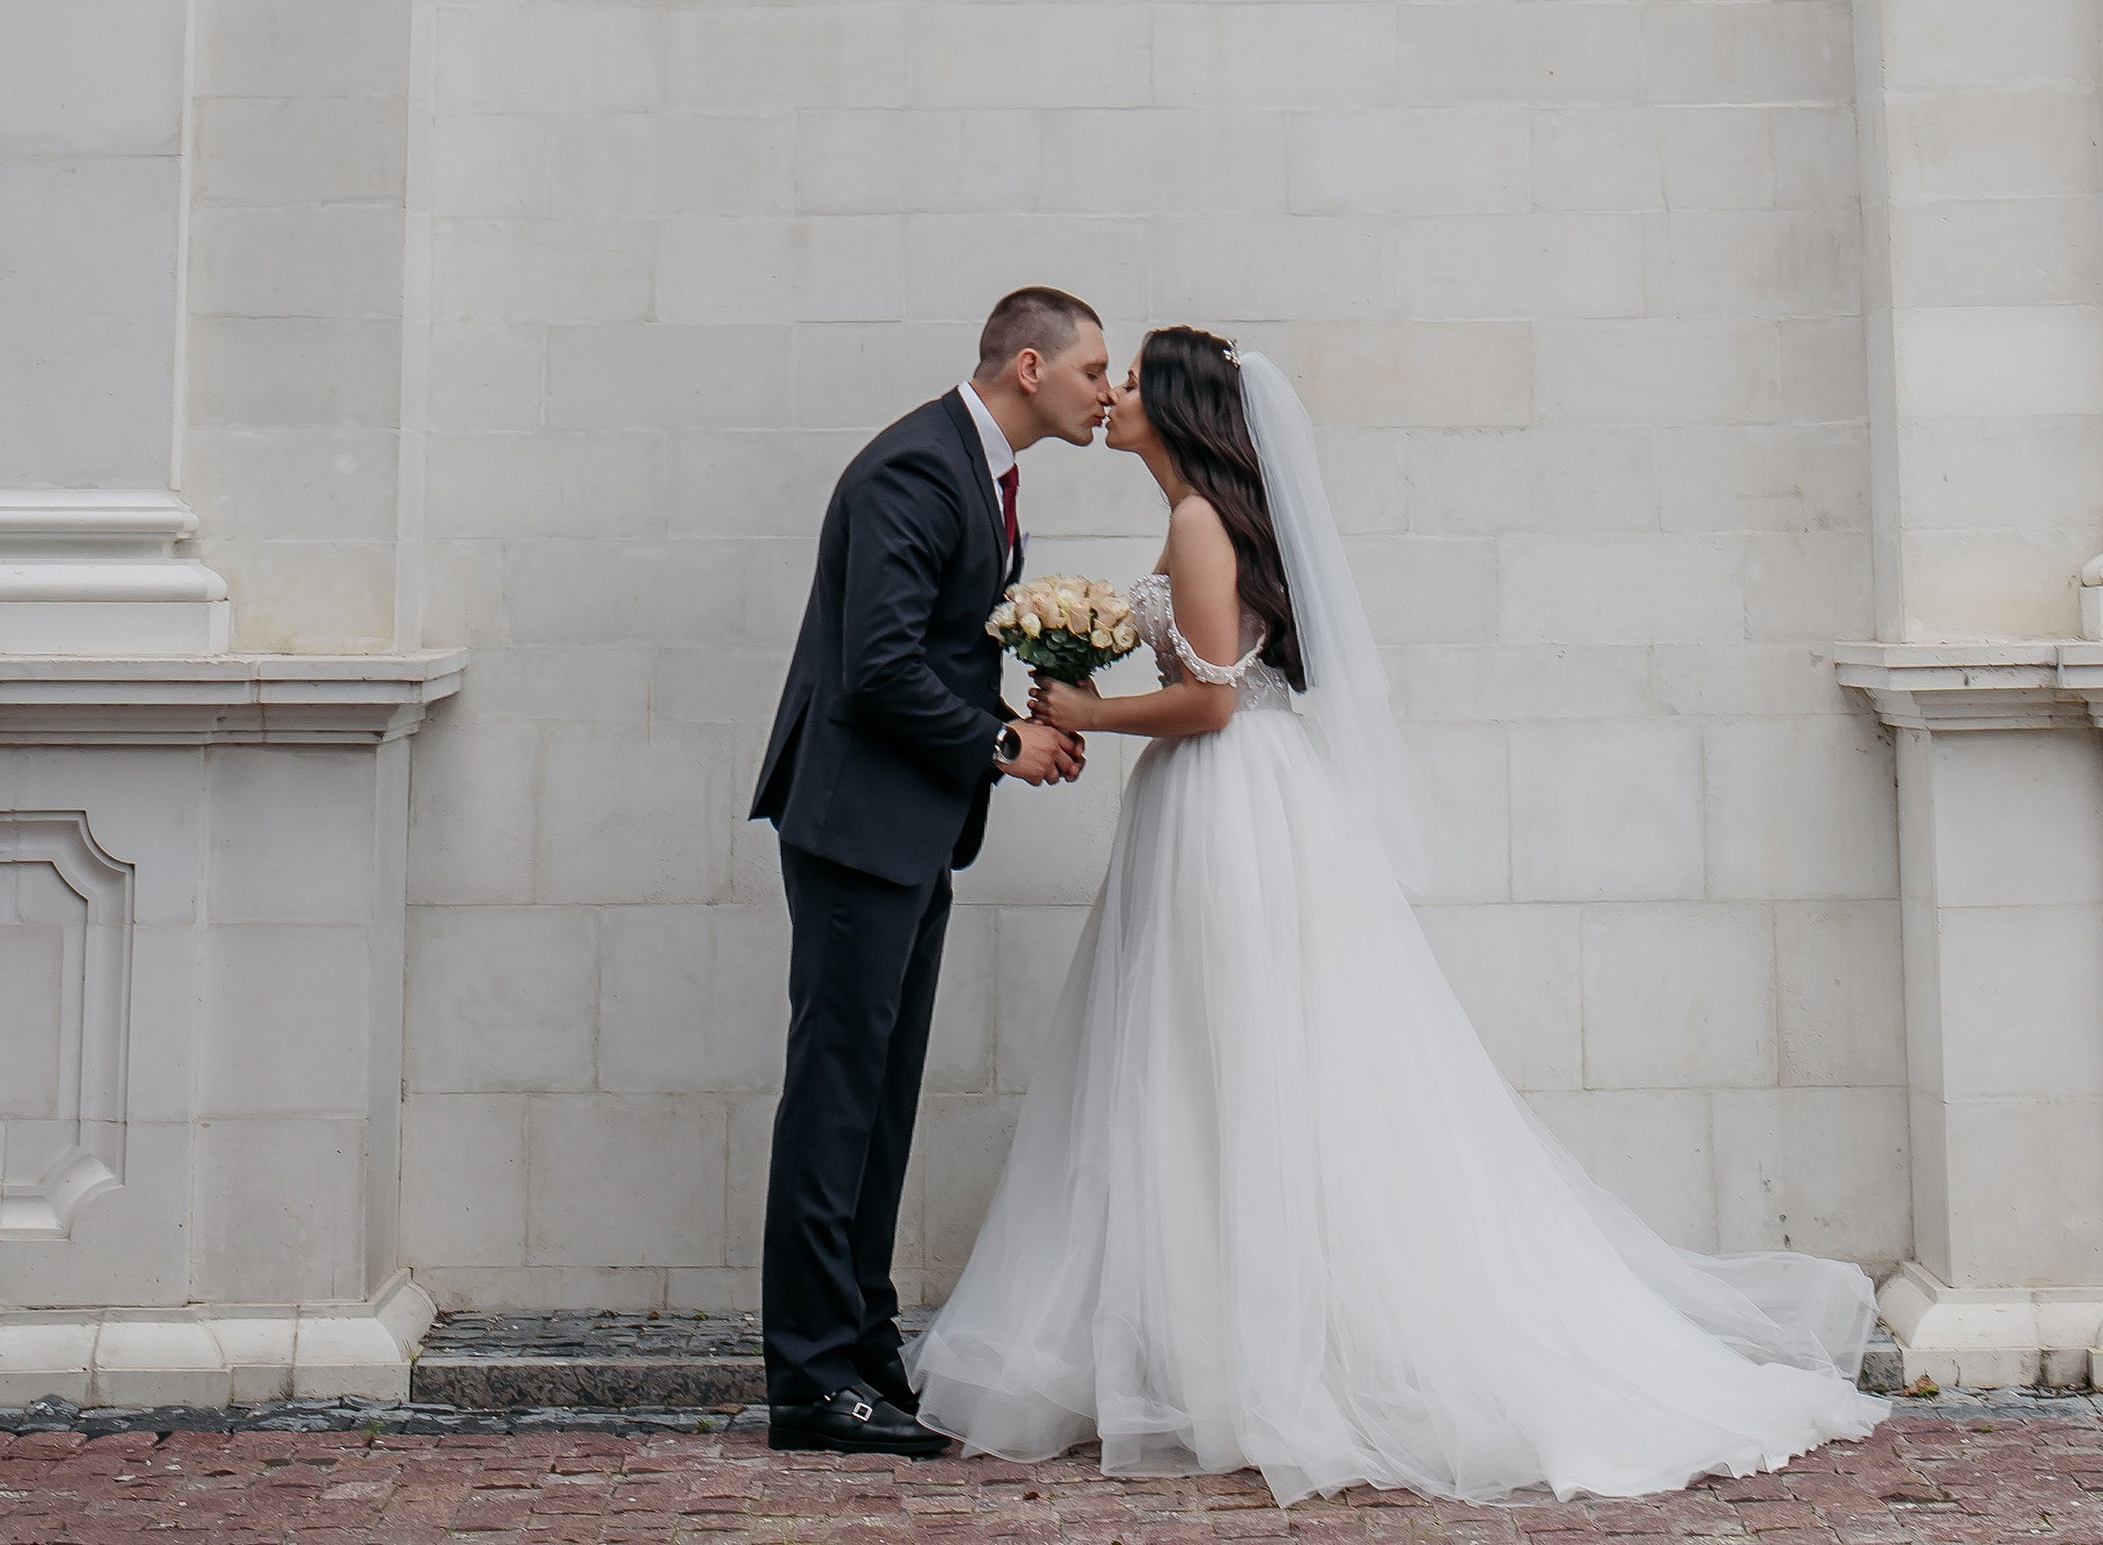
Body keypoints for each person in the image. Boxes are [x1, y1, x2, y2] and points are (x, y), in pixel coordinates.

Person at [908, 327, 1886, 1505]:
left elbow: (1211, 706)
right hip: (1221, 799)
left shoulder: (1201, 524)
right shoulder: (1198, 521)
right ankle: (1216, 1352)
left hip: (1226, 798)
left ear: (1173, 405)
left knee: (1227, 1061)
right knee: (1205, 1065)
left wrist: (1089, 714)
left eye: (1130, 381)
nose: (1111, 395)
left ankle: (1256, 1362)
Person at [752, 286, 1114, 1457]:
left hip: (907, 827)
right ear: (1028, 367)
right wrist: (1003, 743)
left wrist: (1018, 716)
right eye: (1092, 370)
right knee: (836, 1098)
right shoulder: (917, 468)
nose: (1105, 393)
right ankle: (811, 1380)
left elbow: (935, 653)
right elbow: (878, 667)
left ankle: (861, 1346)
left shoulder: (977, 470)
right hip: (858, 827)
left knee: (880, 1099)